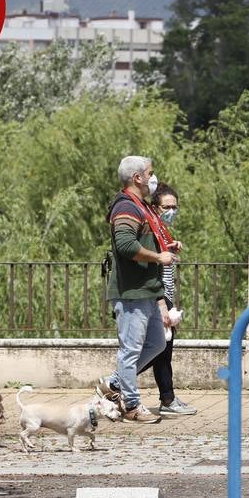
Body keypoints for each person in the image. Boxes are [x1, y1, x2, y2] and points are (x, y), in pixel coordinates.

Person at [98, 155, 172, 423]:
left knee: (156, 344)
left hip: (146, 291)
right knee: (130, 351)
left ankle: (113, 383)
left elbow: (140, 242)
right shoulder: (125, 207)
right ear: (137, 178)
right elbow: (126, 246)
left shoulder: (140, 206)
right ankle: (131, 406)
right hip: (131, 293)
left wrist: (165, 248)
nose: (154, 178)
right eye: (150, 173)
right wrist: (158, 258)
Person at [143, 181, 197, 416]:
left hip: (165, 296)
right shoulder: (151, 231)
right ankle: (113, 383)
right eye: (167, 207)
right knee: (156, 349)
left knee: (163, 350)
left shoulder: (163, 232)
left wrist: (172, 248)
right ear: (156, 208)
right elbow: (151, 269)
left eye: (175, 206)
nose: (172, 211)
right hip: (158, 297)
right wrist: (162, 303)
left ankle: (168, 398)